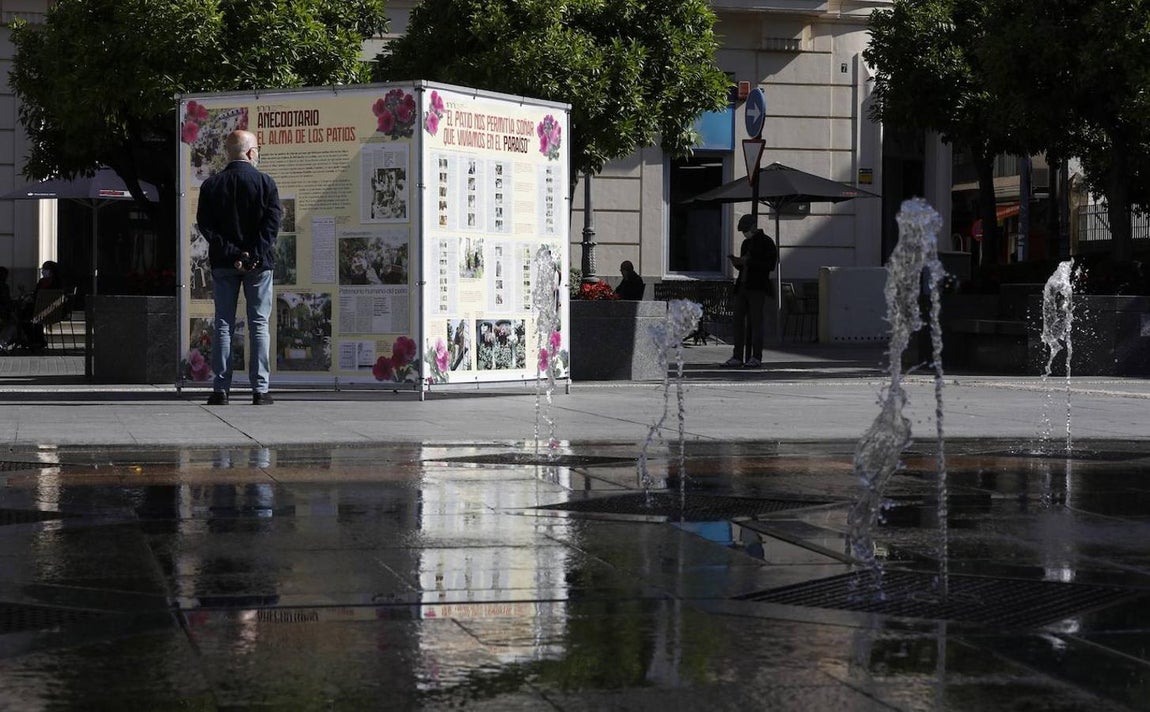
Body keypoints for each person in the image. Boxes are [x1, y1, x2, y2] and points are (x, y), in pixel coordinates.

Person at [196, 129, 282, 405]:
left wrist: (233, 254)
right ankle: (260, 390)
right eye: (257, 149)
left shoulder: (211, 186)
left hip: (224, 263)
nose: (258, 153)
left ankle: (220, 390)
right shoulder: (265, 183)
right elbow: (272, 226)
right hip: (259, 265)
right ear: (250, 152)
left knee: (223, 324)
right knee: (258, 324)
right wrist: (253, 255)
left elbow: (206, 226)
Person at [723, 214, 777, 368]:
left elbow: (770, 265)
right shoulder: (746, 243)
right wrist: (737, 262)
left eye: (746, 229)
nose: (745, 233)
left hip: (757, 287)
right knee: (738, 321)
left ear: (754, 226)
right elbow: (743, 266)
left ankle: (756, 356)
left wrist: (749, 262)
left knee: (756, 322)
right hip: (743, 286)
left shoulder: (767, 243)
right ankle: (738, 356)